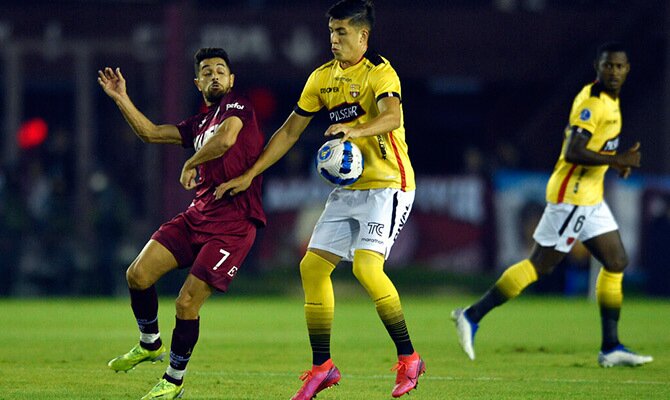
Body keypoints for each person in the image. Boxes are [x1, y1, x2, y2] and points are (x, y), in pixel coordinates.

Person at [215, 1, 424, 398]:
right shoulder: (321, 78)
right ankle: (322, 366)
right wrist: (249, 175)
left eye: (342, 32)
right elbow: (289, 132)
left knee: (366, 268)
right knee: (311, 267)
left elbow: (392, 117)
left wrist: (354, 129)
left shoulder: (380, 72)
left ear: (363, 36)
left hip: (389, 186)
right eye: (331, 31)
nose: (334, 38)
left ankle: (409, 358)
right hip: (348, 190)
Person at [451, 42, 653, 368]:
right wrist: (617, 160)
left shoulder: (613, 103)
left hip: (590, 195)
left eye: (620, 66)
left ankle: (611, 347)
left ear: (627, 69)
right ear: (597, 67)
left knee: (616, 260)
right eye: (608, 66)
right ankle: (472, 315)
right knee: (540, 266)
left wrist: (612, 162)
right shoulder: (592, 103)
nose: (614, 72)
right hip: (571, 195)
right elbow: (574, 150)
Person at [98, 47, 266, 399]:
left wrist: (190, 163)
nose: (215, 75)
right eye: (207, 71)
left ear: (231, 80)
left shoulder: (238, 108)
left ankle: (173, 381)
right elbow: (151, 133)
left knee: (186, 303)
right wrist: (121, 98)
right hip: (197, 215)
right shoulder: (198, 124)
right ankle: (149, 343)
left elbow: (225, 141)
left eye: (221, 70)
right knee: (137, 275)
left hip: (234, 225)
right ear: (198, 82)